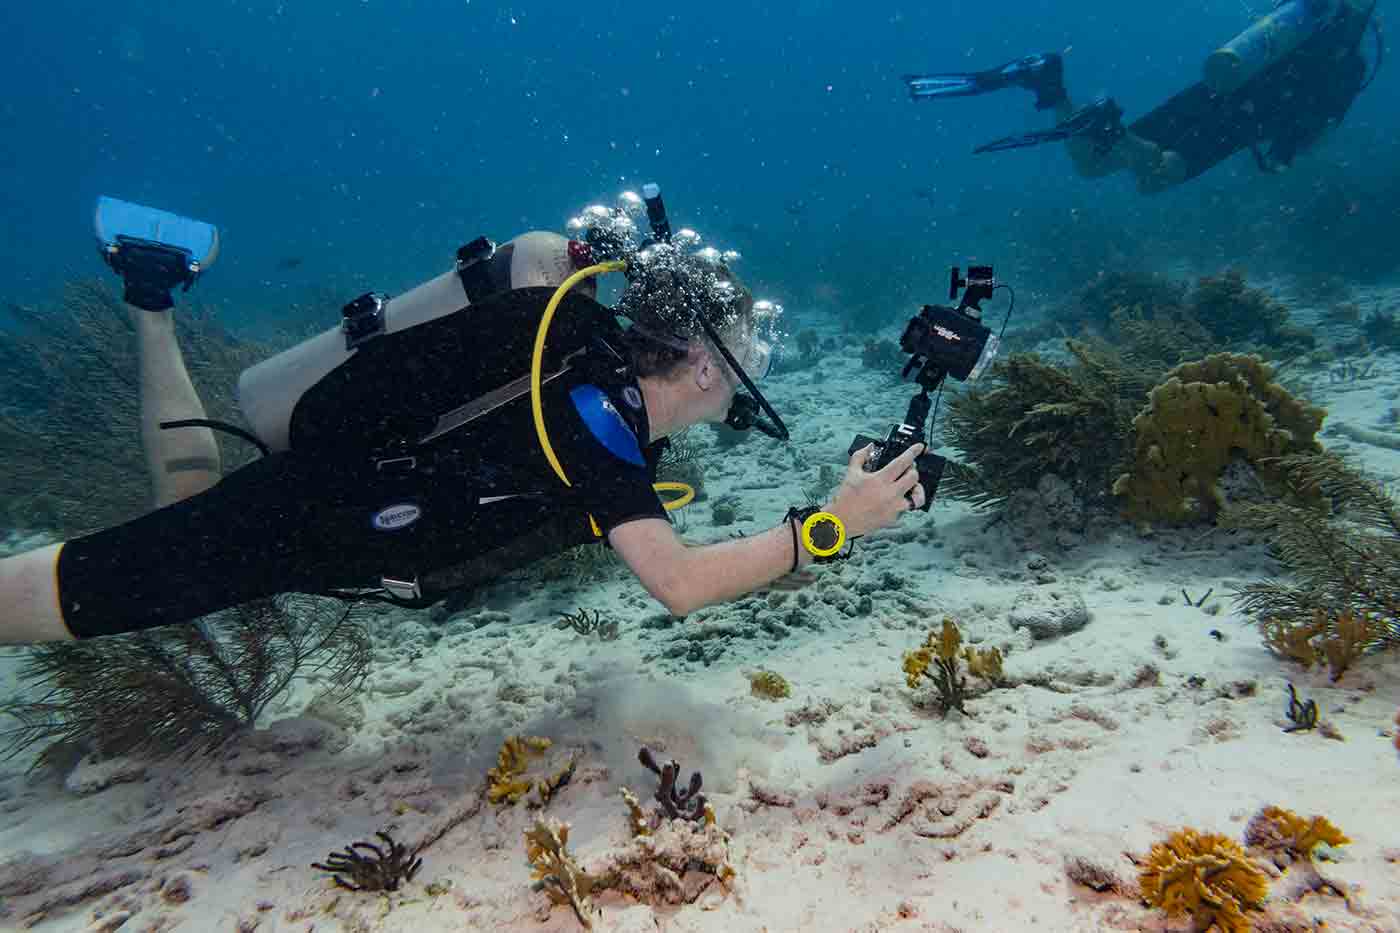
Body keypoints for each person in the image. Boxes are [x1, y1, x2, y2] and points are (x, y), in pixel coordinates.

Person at [0, 193, 926, 644]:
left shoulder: (584, 346)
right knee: (87, 590)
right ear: (695, 359)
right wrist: (832, 526)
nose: (750, 375)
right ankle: (152, 298)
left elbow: (528, 268)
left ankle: (151, 296)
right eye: (744, 354)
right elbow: (678, 584)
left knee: (188, 499)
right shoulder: (600, 425)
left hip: (335, 492)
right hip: (322, 518)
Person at [904, 0, 1381, 194]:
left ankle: (1050, 85)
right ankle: (1103, 124)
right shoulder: (1350, 60)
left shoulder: (1298, 21)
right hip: (1243, 122)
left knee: (1095, 164)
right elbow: (1313, 131)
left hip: (1211, 91)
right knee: (1155, 177)